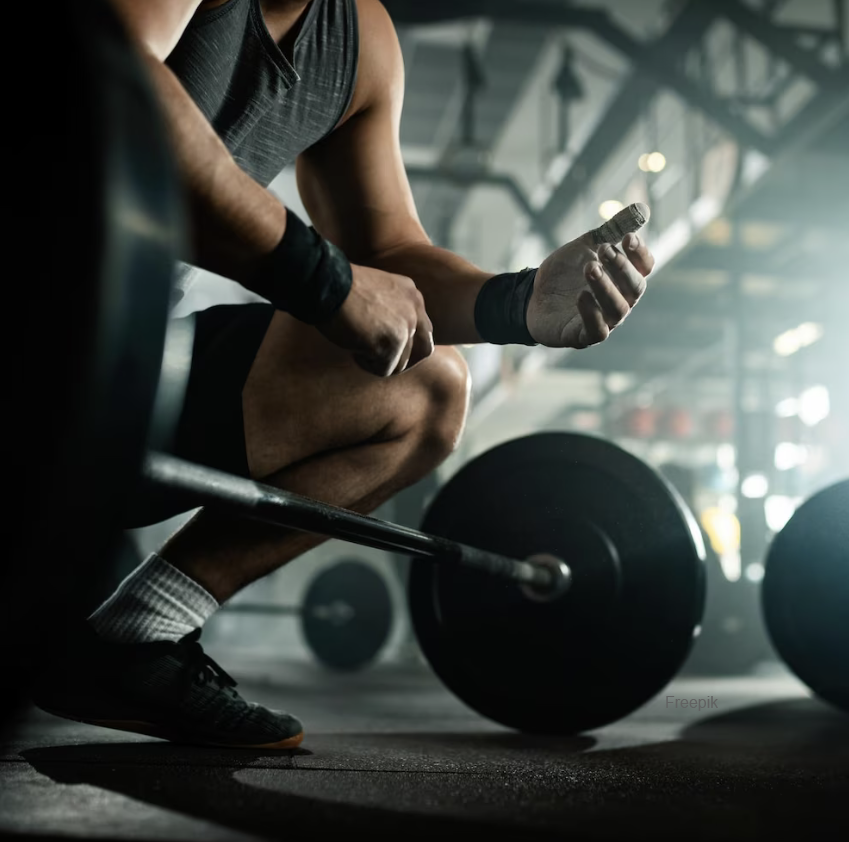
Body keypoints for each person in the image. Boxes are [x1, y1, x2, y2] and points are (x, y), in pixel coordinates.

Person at [34, 0, 655, 749]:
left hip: (115, 381)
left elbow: (387, 253)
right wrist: (323, 281)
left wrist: (515, 302)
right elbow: (114, 81)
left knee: (424, 392)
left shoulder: (362, 40)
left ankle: (134, 643)